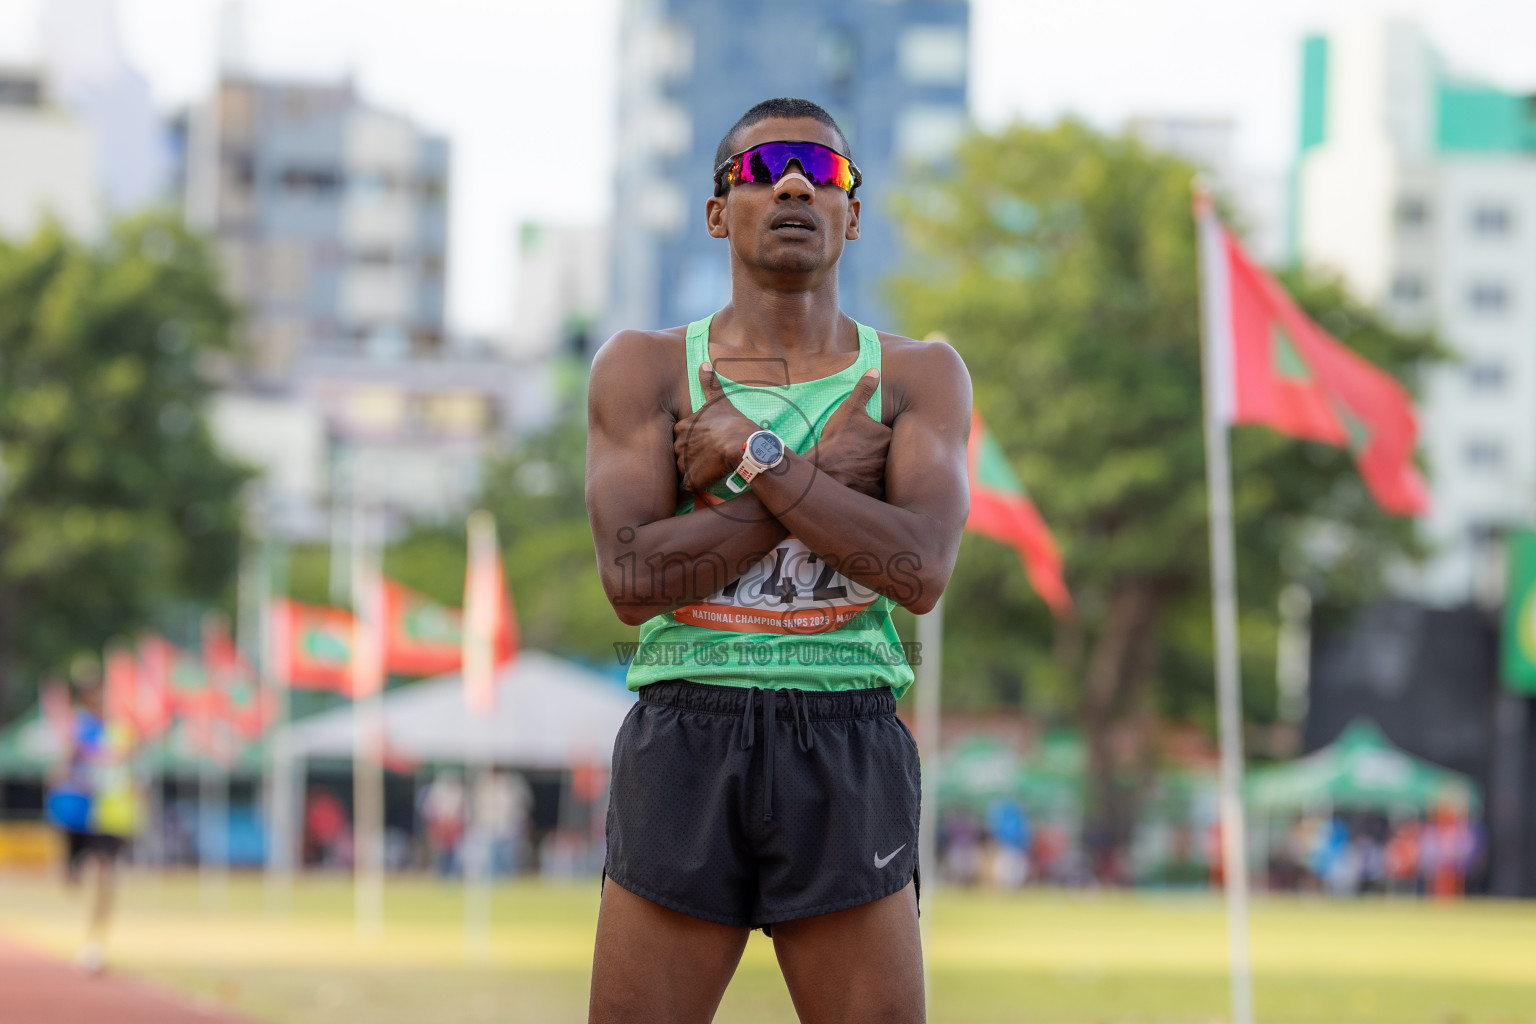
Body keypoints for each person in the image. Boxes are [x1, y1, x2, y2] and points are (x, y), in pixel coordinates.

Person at [585, 97, 971, 1023]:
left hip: (845, 726)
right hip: (687, 728)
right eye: (760, 169)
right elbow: (633, 582)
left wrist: (758, 461)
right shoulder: (645, 369)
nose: (793, 181)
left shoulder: (917, 375)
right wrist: (818, 486)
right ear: (718, 210)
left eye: (822, 170)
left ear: (853, 212)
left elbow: (918, 574)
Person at [45, 665, 141, 973]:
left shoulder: (122, 729)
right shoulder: (78, 727)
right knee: (74, 878)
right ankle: (72, 876)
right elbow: (63, 766)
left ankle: (95, 941)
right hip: (78, 814)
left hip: (109, 816)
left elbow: (130, 764)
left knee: (105, 875)